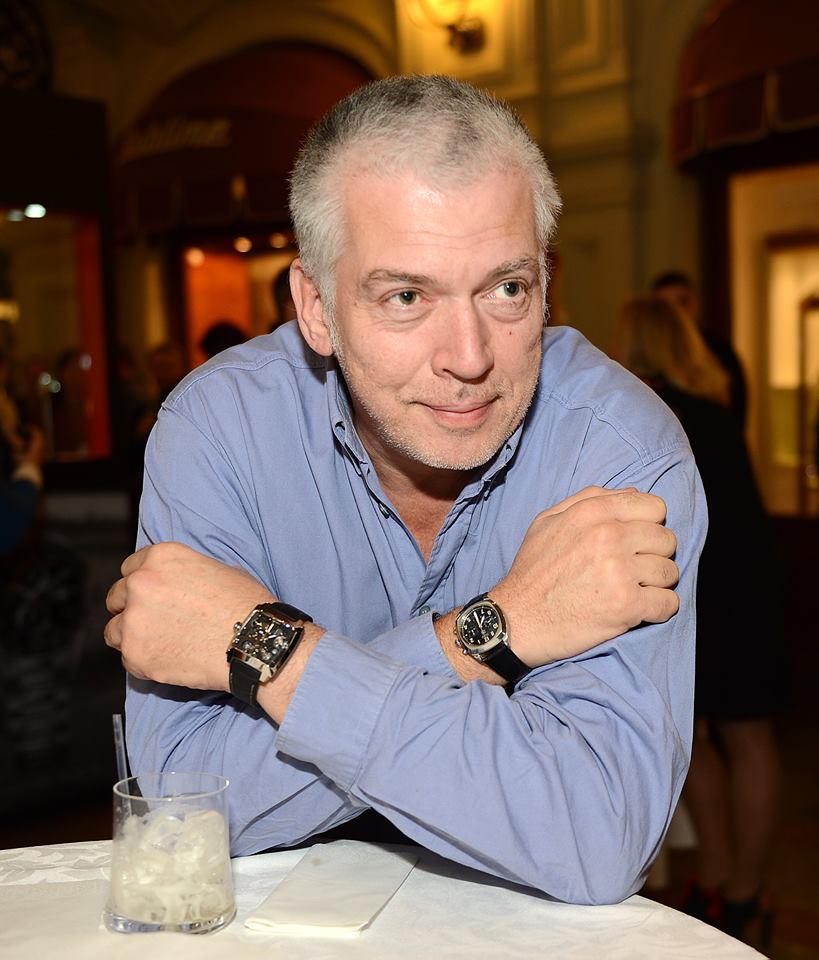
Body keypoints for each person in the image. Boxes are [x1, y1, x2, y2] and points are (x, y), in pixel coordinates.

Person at [104, 75, 706, 905]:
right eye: (406, 296)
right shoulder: (220, 430)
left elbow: (593, 834)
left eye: (506, 289)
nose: (468, 356)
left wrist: (273, 655)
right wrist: (483, 639)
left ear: (544, 283)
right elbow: (180, 816)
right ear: (316, 307)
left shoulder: (620, 452)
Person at [612, 296, 790, 949]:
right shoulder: (710, 408)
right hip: (724, 588)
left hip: (718, 592)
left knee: (734, 739)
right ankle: (727, 881)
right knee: (714, 738)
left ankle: (739, 885)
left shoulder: (656, 413)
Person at [651, 271, 747, 427]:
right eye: (666, 307)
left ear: (696, 304)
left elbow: (737, 412)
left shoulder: (719, 351)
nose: (675, 312)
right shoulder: (650, 356)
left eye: (682, 302)